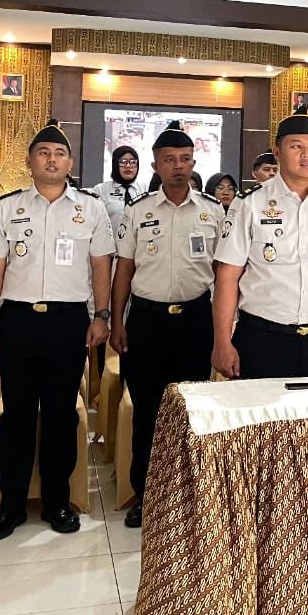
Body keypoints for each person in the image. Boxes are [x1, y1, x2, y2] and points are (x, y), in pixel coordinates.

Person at [0, 120, 115, 541]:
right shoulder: (6, 208)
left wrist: (101, 316)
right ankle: (11, 506)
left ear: (70, 163)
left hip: (67, 320)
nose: (51, 160)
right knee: (16, 415)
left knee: (60, 414)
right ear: (29, 161)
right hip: (18, 320)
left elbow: (100, 266)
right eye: (43, 153)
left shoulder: (90, 209)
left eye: (59, 154)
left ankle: (58, 501)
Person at [110, 122, 223, 528]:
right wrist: (116, 320)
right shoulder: (138, 211)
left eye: (185, 159)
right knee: (147, 411)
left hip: (196, 321)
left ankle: (190, 494)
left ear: (193, 162)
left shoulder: (212, 210)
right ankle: (146, 495)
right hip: (147, 322)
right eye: (169, 160)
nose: (178, 166)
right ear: (155, 165)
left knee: (193, 411)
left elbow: (222, 272)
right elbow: (125, 269)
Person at [212, 113, 308, 379]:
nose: (307, 155)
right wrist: (222, 341)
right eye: (296, 146)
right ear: (277, 152)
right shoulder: (249, 204)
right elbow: (227, 276)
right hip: (263, 339)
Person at [93, 145, 140, 237]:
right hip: (110, 245)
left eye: (133, 162)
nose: (128, 166)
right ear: (115, 164)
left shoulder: (146, 189)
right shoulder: (100, 190)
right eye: (123, 162)